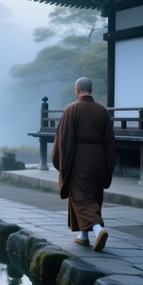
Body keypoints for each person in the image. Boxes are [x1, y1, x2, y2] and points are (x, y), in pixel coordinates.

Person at [51, 77, 116, 251]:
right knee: (93, 195)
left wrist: (60, 161)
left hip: (80, 158)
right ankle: (83, 235)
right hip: (99, 158)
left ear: (77, 90)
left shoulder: (71, 110)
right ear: (91, 90)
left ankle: (97, 228)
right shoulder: (102, 111)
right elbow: (110, 142)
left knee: (80, 197)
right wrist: (108, 165)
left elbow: (64, 140)